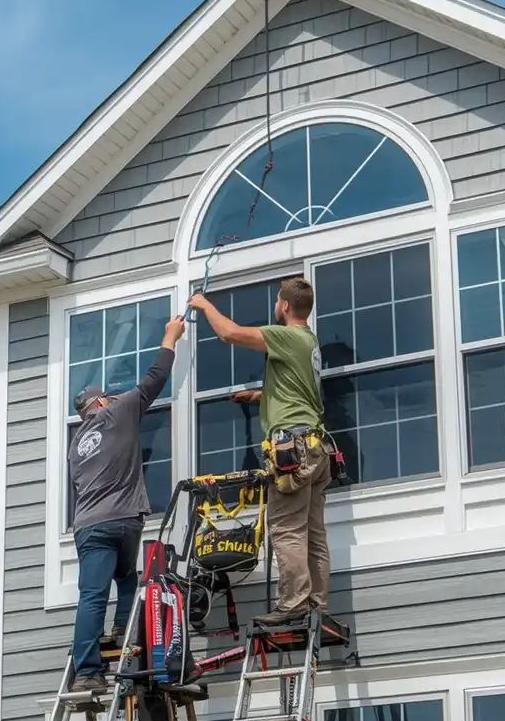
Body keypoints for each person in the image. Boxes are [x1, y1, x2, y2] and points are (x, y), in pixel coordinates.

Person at [188, 278, 330, 626]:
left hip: (292, 448)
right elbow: (297, 393)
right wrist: (257, 396)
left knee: (285, 527)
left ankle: (293, 601)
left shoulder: (288, 336)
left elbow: (230, 333)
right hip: (315, 446)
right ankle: (316, 603)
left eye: (276, 303)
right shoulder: (309, 342)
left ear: (284, 307)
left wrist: (203, 304)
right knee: (312, 532)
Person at [66, 314, 187, 692]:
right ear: (101, 402)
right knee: (123, 581)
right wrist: (170, 335)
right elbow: (155, 378)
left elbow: (81, 486)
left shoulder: (75, 446)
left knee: (101, 589)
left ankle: (93, 664)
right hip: (123, 520)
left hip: (88, 525)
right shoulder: (118, 412)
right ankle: (93, 664)